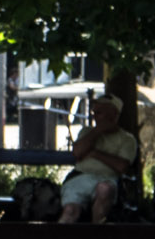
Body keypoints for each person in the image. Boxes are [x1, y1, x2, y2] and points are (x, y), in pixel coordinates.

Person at [58, 95, 140, 224]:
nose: (95, 116)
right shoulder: (86, 132)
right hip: (80, 177)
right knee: (70, 211)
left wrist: (94, 153)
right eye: (94, 112)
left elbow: (122, 166)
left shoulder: (127, 139)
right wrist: (97, 131)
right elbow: (77, 152)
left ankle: (97, 230)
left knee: (105, 189)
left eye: (99, 112)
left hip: (107, 179)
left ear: (113, 115)